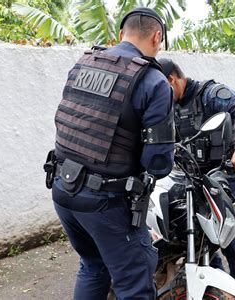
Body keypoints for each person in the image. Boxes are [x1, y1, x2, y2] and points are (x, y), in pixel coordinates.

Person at [50, 7, 174, 299]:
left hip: (62, 190)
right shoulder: (153, 81)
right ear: (157, 37)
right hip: (105, 202)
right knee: (135, 281)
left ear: (121, 34)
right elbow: (157, 163)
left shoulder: (83, 63)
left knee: (93, 267)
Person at [158, 58, 235, 295]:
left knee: (232, 240)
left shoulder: (210, 93)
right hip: (191, 178)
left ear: (172, 79)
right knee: (200, 238)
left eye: (159, 86)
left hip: (225, 177)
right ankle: (211, 288)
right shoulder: (169, 104)